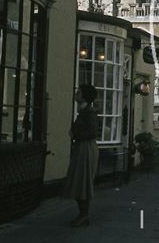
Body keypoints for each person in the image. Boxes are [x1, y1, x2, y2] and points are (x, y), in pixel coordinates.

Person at [62, 84, 99, 227]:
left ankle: (84, 215)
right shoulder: (84, 111)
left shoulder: (89, 112)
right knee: (79, 181)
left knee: (82, 181)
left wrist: (75, 134)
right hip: (82, 147)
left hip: (86, 148)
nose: (76, 94)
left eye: (79, 92)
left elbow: (93, 132)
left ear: (83, 96)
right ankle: (83, 214)